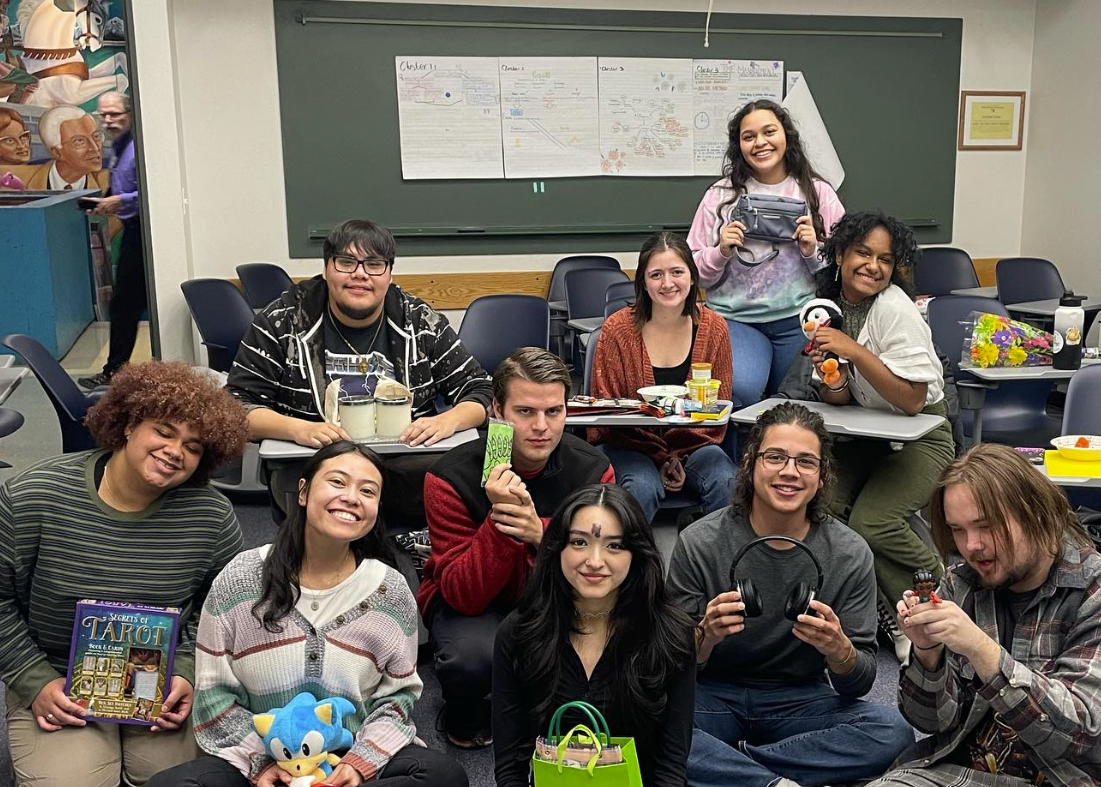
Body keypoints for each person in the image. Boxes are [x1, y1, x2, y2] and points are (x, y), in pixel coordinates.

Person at [148, 442, 468, 787]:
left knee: (443, 776)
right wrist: (261, 765)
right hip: (267, 754)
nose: (351, 497)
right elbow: (214, 693)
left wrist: (359, 765)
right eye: (337, 482)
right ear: (303, 492)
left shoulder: (389, 589)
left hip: (348, 751)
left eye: (368, 490)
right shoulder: (240, 579)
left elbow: (398, 698)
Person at [0, 361, 247, 787]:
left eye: (193, 446)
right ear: (129, 424)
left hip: (162, 682)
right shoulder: (32, 495)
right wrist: (33, 680)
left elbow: (222, 608)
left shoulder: (211, 516)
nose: (175, 451)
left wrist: (187, 670)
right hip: (57, 676)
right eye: (164, 432)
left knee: (182, 780)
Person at [666, 401, 914, 787]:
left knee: (890, 731)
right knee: (645, 716)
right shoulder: (700, 542)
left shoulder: (848, 552)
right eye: (776, 457)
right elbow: (669, 668)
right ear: (750, 464)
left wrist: (840, 650)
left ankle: (736, 768)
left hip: (800, 703)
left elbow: (859, 683)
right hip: (712, 699)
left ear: (822, 474)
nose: (789, 472)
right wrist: (704, 636)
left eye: (805, 462)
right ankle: (776, 781)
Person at [226, 218, 492, 524]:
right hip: (312, 464)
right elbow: (235, 407)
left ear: (389, 273)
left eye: (374, 264)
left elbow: (480, 389)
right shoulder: (282, 321)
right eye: (346, 262)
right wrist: (299, 429)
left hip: (407, 463)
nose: (360, 274)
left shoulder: (419, 321)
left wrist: (449, 420)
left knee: (479, 469)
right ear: (326, 268)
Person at [869, 443, 1101, 787]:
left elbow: (1080, 736)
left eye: (986, 526)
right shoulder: (960, 584)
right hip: (959, 769)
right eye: (958, 530)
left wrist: (980, 649)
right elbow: (931, 723)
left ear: (1035, 513)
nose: (971, 546)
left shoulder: (1091, 591)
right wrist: (927, 654)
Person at [417, 347, 615, 749]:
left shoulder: (594, 471)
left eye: (553, 412)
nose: (541, 427)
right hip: (476, 603)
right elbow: (462, 594)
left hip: (558, 594)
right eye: (525, 412)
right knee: (471, 661)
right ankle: (469, 714)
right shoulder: (448, 477)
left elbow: (611, 569)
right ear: (498, 411)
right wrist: (502, 524)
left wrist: (542, 534)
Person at [806, 210, 953, 656]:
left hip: (923, 434)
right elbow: (840, 400)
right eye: (862, 253)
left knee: (874, 522)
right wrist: (832, 377)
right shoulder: (827, 307)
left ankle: (947, 602)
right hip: (866, 435)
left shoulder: (895, 308)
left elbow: (911, 399)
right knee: (822, 506)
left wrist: (851, 350)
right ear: (838, 255)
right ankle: (885, 610)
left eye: (885, 259)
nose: (873, 266)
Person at [494, 484, 697, 787]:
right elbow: (510, 767)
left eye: (614, 546)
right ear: (556, 548)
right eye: (579, 542)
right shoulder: (520, 632)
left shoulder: (671, 635)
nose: (595, 561)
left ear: (636, 554)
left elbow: (669, 768)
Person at [687, 99, 845, 407]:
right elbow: (695, 275)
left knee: (796, 402)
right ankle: (736, 456)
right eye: (749, 137)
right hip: (736, 319)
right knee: (740, 392)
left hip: (799, 320)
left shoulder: (817, 193)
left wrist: (813, 250)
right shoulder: (719, 196)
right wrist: (720, 251)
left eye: (769, 131)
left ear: (786, 135)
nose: (760, 143)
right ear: (739, 145)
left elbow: (843, 269)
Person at [589, 231, 737, 522]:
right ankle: (632, 565)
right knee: (641, 486)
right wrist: (660, 458)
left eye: (677, 272)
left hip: (696, 445)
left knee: (727, 481)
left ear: (692, 277)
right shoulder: (617, 330)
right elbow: (607, 414)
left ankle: (713, 564)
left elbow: (717, 408)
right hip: (629, 445)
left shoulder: (715, 328)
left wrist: (677, 457)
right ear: (643, 282)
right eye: (656, 274)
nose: (667, 283)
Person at [79, 91, 144, 390]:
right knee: (125, 304)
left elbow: (150, 187)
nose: (108, 120)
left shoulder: (141, 144)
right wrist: (104, 199)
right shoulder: (119, 146)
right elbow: (121, 183)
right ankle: (116, 369)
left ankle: (115, 370)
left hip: (145, 232)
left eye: (114, 114)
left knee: (125, 304)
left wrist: (120, 200)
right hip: (132, 230)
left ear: (130, 114)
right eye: (103, 115)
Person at [10, 104, 110, 191]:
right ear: (57, 152)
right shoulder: (15, 179)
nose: (95, 148)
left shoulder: (111, 183)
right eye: (79, 141)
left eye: (96, 137)